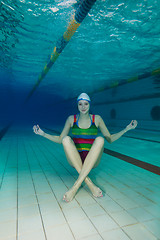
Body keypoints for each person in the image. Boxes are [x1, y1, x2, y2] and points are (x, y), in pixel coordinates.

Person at [33, 93, 138, 202]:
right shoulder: (71, 119)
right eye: (80, 104)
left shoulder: (97, 119)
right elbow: (60, 139)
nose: (83, 107)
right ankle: (89, 184)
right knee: (65, 140)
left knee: (100, 139)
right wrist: (43, 134)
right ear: (77, 105)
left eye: (86, 104)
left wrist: (127, 129)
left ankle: (74, 189)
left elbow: (110, 139)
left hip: (92, 160)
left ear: (90, 104)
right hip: (75, 159)